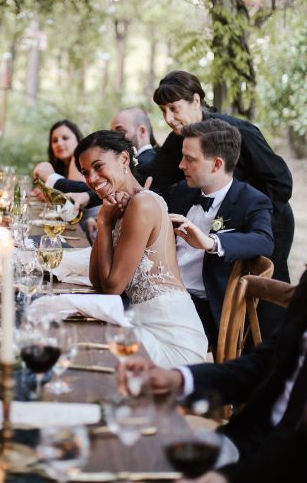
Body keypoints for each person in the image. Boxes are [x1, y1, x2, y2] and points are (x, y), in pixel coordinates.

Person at [121, 269, 307, 483]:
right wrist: (176, 379)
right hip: (244, 442)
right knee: (131, 454)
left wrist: (225, 478)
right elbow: (261, 365)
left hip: (281, 467)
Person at [144, 70, 294, 285]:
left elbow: (281, 183)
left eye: (174, 109)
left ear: (196, 101)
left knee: (269, 293)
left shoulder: (240, 132)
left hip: (271, 218)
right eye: (163, 111)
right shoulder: (178, 138)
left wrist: (254, 215)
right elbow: (153, 177)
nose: (168, 118)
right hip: (219, 223)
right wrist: (89, 195)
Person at [73, 130, 208, 368]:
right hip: (142, 325)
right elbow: (98, 281)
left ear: (124, 159)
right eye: (85, 172)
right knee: (79, 345)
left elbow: (112, 288)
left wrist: (104, 222)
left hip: (171, 339)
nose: (92, 178)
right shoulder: (119, 206)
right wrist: (108, 218)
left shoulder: (142, 203)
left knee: (81, 352)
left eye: (98, 166)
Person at [168, 119, 274, 345]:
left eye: (189, 159)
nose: (180, 165)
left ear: (216, 165)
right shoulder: (181, 192)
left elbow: (264, 241)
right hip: (163, 294)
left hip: (202, 310)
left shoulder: (252, 201)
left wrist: (211, 242)